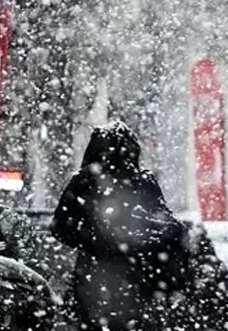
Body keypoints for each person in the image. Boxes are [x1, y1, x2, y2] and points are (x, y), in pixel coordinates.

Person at [52, 122, 190, 331]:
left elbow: (60, 228)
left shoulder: (84, 181)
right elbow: (166, 226)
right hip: (136, 279)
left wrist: (93, 241)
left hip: (96, 280)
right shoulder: (141, 181)